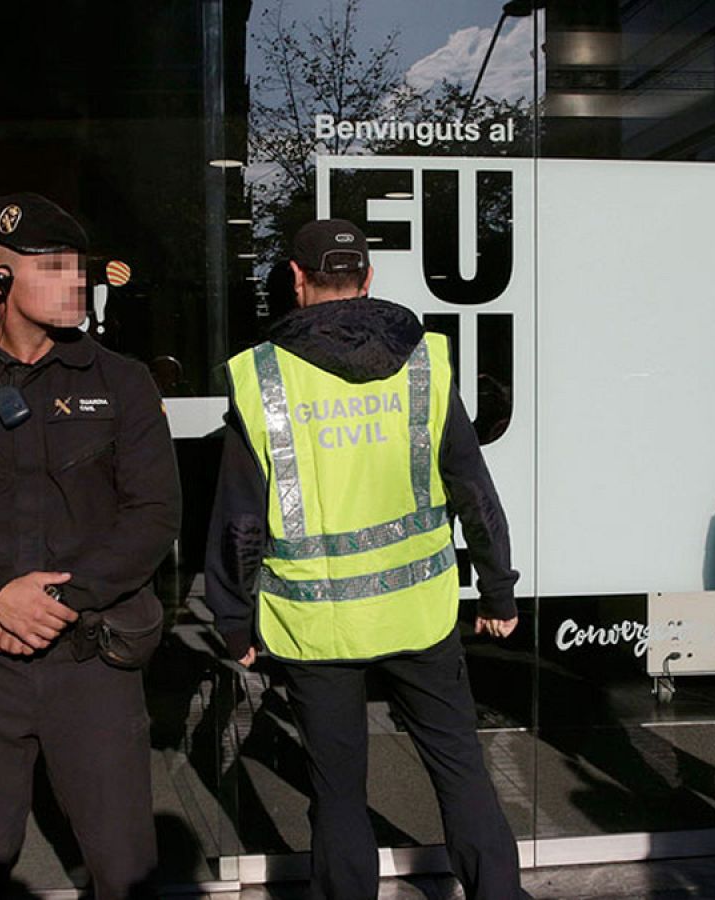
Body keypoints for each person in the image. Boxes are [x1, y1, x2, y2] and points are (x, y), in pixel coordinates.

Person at [205, 218, 525, 899]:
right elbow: (473, 486)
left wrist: (234, 620)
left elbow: (238, 517)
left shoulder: (263, 377)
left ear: (297, 279)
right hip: (418, 609)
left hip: (316, 626)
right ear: (368, 279)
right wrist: (497, 590)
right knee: (459, 767)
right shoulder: (426, 361)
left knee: (338, 789)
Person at [0, 192, 180, 899]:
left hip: (92, 657)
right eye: (53, 269)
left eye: (78, 267)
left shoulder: (124, 384)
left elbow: (154, 514)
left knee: (125, 868)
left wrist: (55, 603)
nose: (76, 283)